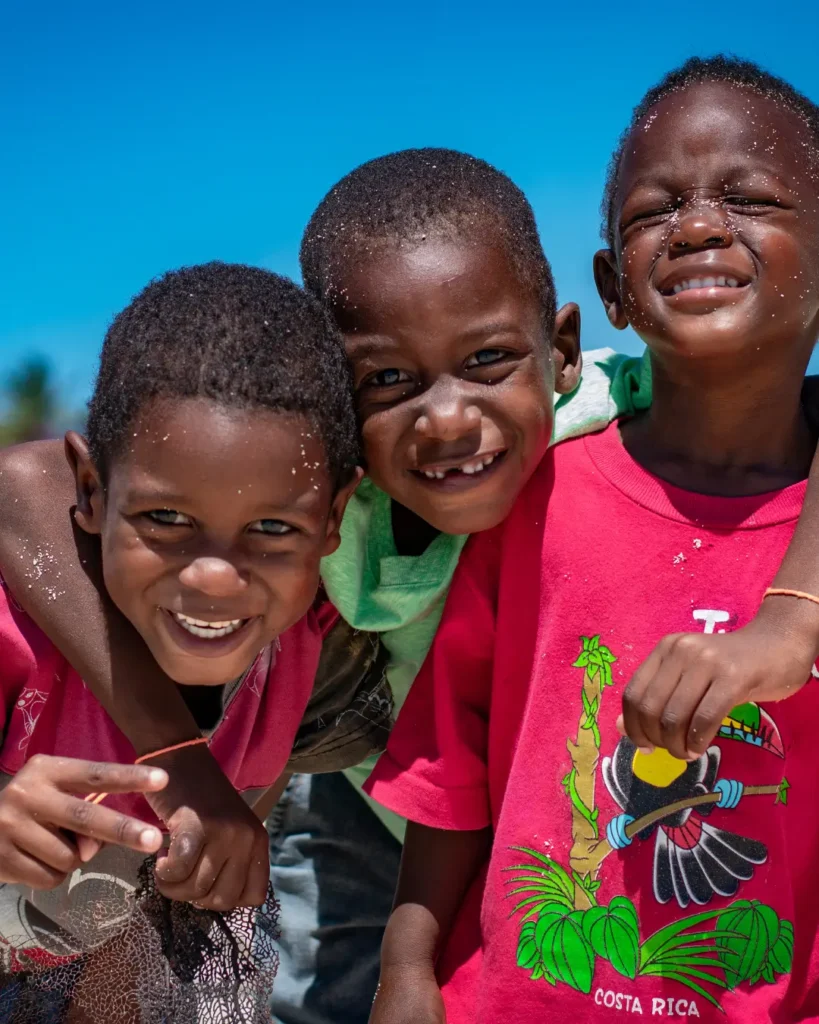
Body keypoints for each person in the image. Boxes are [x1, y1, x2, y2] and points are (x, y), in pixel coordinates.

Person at [366, 58, 819, 1023]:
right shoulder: (535, 492)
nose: (697, 226)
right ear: (612, 289)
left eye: (749, 197)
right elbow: (456, 768)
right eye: (656, 210)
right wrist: (405, 972)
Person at [0, 262, 390, 1022]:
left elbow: (130, 947)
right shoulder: (19, 635)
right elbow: (19, 479)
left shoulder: (296, 656)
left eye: (272, 530)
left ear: (335, 517)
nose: (214, 577)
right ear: (88, 490)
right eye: (165, 521)